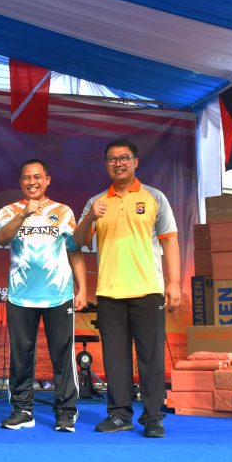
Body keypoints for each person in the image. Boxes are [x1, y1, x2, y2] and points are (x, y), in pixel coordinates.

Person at [73, 139, 181, 438]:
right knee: (115, 359)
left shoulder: (154, 197)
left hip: (148, 290)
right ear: (105, 164)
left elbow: (170, 240)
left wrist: (173, 282)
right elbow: (78, 241)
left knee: (151, 357)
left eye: (124, 158)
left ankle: (153, 417)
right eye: (112, 159)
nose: (118, 163)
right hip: (110, 292)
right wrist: (91, 217)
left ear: (135, 162)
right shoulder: (96, 202)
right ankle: (119, 414)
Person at [0, 159, 86, 432]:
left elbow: (74, 249)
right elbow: (2, 239)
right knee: (21, 355)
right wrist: (24, 214)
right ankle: (23, 410)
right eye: (27, 177)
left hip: (58, 295)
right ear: (20, 182)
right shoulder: (9, 210)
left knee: (62, 355)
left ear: (47, 180)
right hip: (21, 296)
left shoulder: (63, 211)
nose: (32, 182)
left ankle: (66, 412)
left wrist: (83, 289)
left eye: (37, 177)